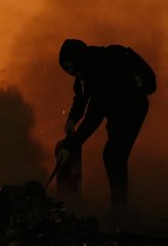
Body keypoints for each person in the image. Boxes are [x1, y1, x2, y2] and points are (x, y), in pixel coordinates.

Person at [59, 39, 156, 216]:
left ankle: (119, 209)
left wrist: (69, 146)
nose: (70, 72)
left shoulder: (101, 71)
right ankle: (119, 207)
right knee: (114, 155)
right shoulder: (86, 70)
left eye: (71, 66)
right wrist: (72, 118)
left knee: (113, 155)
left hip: (132, 108)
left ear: (78, 59)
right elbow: (80, 97)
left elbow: (93, 118)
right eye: (66, 68)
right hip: (119, 111)